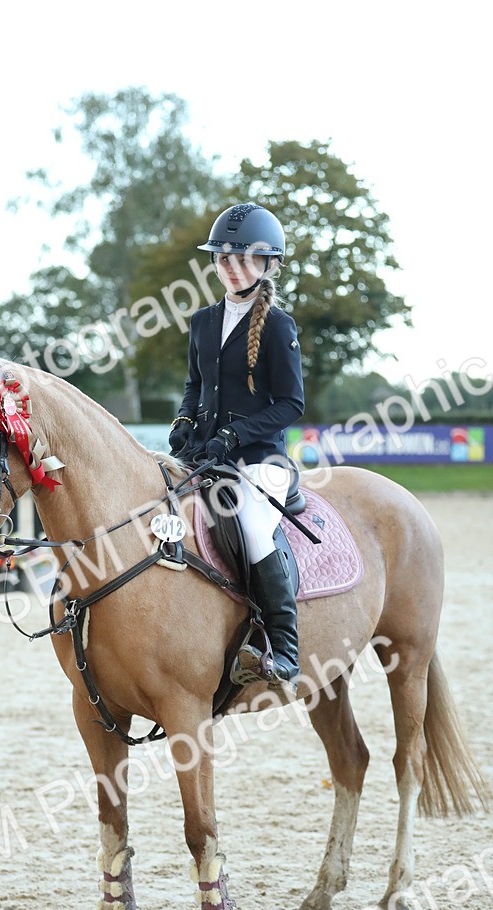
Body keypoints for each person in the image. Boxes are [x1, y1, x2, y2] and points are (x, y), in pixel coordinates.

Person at [168, 202, 305, 698]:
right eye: (222, 258)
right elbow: (194, 384)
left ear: (267, 264)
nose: (230, 267)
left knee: (248, 521)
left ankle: (285, 649)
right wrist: (185, 421)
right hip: (206, 454)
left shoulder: (278, 326)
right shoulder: (204, 321)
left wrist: (238, 434)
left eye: (242, 258)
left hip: (260, 460)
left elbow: (292, 403)